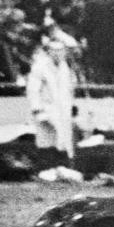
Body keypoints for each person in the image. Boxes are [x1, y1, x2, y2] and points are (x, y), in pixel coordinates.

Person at [26, 36, 76, 170]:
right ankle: (46, 171)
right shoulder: (40, 67)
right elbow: (33, 90)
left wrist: (72, 106)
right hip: (46, 110)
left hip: (63, 110)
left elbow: (69, 90)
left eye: (60, 50)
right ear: (48, 51)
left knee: (63, 140)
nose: (57, 53)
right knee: (47, 141)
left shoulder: (66, 67)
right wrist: (38, 110)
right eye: (54, 50)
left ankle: (63, 171)